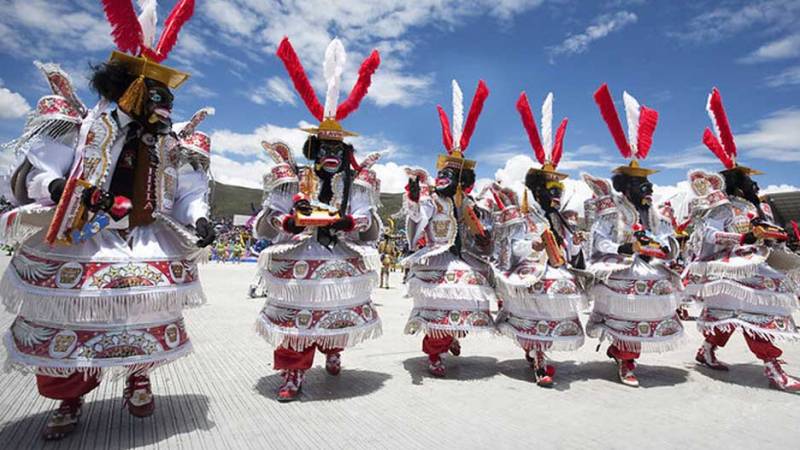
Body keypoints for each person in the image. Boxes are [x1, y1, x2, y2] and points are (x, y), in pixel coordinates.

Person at [0, 0, 214, 439]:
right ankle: (70, 394)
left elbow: (185, 194)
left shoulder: (168, 145)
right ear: (130, 91)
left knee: (144, 312)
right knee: (74, 318)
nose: (166, 110)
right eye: (157, 98)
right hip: (83, 233)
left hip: (145, 236)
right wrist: (59, 188)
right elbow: (39, 169)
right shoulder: (84, 126)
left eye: (167, 101)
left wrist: (201, 218)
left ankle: (138, 375)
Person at [252, 38, 383, 402]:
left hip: (339, 256)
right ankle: (293, 371)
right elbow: (269, 217)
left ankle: (334, 349)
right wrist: (287, 224)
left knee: (336, 310)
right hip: (300, 254)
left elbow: (368, 222)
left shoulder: (356, 185)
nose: (330, 155)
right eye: (323, 149)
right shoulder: (293, 178)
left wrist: (348, 224)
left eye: (336, 150)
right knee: (296, 318)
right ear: (314, 151)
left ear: (345, 154)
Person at [685, 88, 800, 392]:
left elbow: (769, 230)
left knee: (737, 315)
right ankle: (771, 365)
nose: (755, 183)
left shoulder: (758, 205)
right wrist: (742, 236)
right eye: (749, 179)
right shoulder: (722, 207)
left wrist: (776, 235)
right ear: (739, 182)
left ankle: (707, 349)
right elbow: (707, 235)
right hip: (733, 266)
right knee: (754, 313)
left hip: (758, 261)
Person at [582, 84, 684, 387]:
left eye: (650, 186)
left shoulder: (655, 215)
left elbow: (668, 237)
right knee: (629, 302)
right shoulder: (613, 211)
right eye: (643, 186)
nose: (649, 190)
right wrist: (625, 246)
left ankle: (624, 352)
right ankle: (626, 360)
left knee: (654, 296)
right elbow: (598, 241)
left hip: (650, 266)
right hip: (623, 267)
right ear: (626, 189)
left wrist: (665, 248)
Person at [490, 91, 587, 387]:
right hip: (532, 270)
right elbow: (513, 245)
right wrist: (533, 246)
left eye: (559, 192)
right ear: (540, 192)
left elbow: (570, 250)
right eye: (552, 192)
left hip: (557, 270)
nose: (556, 196)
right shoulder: (525, 215)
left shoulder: (561, 218)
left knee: (556, 302)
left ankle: (538, 353)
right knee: (538, 304)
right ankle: (539, 358)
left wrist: (577, 242)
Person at [402, 80, 495, 377]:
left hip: (463, 257)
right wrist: (414, 200)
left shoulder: (468, 203)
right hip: (438, 256)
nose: (443, 178)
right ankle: (434, 352)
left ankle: (453, 334)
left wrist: (484, 238)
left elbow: (479, 228)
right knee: (441, 299)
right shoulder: (432, 200)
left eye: (450, 174)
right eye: (442, 173)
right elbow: (418, 215)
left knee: (466, 296)